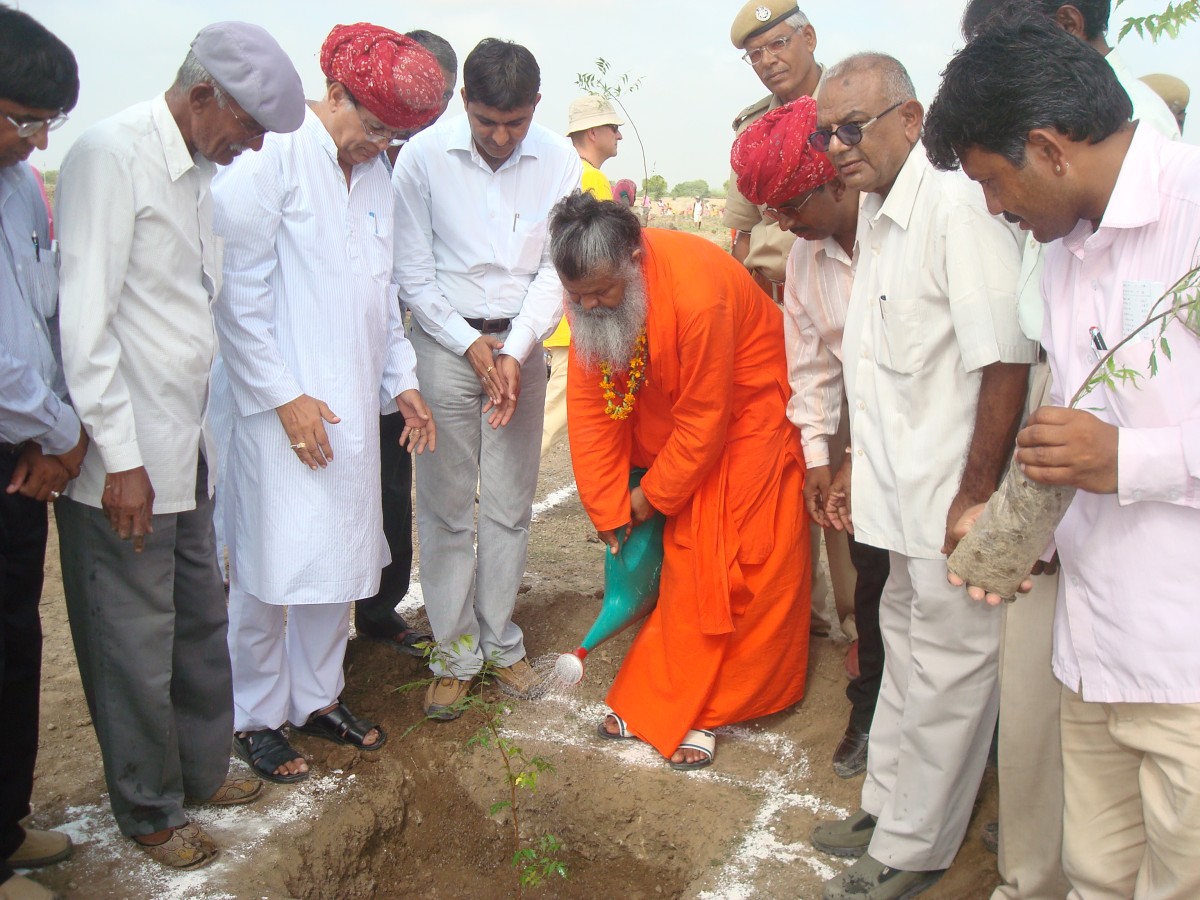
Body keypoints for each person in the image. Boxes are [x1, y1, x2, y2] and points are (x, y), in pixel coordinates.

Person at [924, 18, 1200, 899]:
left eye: (994, 184)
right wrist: (1021, 529)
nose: (996, 209)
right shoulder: (1062, 252)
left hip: (1186, 669)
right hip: (1092, 651)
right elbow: (1074, 438)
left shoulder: (1192, 224)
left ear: (1046, 149)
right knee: (1094, 875)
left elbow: (1113, 446)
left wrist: (1129, 458)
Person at [54, 22, 305, 869]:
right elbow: (85, 325)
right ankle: (150, 805)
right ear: (203, 98)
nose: (253, 147)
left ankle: (202, 768)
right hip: (122, 465)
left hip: (184, 446)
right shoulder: (109, 156)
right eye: (248, 128)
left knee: (197, 619)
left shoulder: (197, 170)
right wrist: (119, 458)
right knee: (131, 637)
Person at [807, 54, 1035, 900]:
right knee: (902, 652)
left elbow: (1005, 360)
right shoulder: (876, 211)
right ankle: (886, 810)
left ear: (910, 118)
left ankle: (916, 848)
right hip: (896, 500)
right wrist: (859, 467)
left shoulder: (954, 209)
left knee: (948, 669)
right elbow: (880, 373)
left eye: (852, 126)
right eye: (827, 131)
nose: (836, 146)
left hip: (948, 502)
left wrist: (976, 497)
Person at [212, 24, 441, 785]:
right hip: (272, 407)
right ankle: (255, 715)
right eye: (373, 126)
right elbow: (236, 298)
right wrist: (285, 399)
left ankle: (316, 696)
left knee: (336, 565)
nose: (378, 145)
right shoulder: (269, 157)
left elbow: (383, 299)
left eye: (395, 136)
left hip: (348, 407)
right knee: (266, 571)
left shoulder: (377, 177)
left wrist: (401, 382)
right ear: (334, 95)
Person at [549, 190, 812, 770]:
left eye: (601, 293)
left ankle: (711, 709)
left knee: (725, 557)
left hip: (749, 411)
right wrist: (608, 507)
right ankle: (664, 693)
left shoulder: (696, 291)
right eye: (577, 296)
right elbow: (592, 405)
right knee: (685, 556)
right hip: (683, 413)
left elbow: (705, 420)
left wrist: (649, 498)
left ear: (634, 262)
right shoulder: (590, 295)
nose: (588, 307)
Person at [392, 39, 581, 718]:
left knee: (508, 502)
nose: (501, 139)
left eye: (516, 123)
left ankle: (500, 642)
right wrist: (472, 344)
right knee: (444, 505)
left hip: (522, 346)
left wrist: (515, 348)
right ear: (464, 103)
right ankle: (453, 650)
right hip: (444, 343)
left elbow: (553, 270)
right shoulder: (420, 159)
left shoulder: (561, 161)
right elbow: (412, 272)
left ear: (535, 107)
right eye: (487, 123)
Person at [730, 95, 889, 782]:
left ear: (835, 179)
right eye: (770, 212)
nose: (783, 225)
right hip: (861, 445)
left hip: (931, 444)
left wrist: (854, 456)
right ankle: (870, 713)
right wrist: (820, 457)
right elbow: (813, 367)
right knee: (876, 583)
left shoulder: (901, 237)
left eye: (791, 206)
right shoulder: (803, 260)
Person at [726, 0, 856, 647]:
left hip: (853, 294)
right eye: (755, 54)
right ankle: (799, 611)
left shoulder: (849, 111)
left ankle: (858, 617)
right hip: (779, 307)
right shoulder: (752, 128)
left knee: (854, 455)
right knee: (801, 460)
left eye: (777, 44)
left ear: (807, 37)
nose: (768, 61)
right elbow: (742, 234)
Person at [0, 9, 86, 899]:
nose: (34, 141)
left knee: (14, 637)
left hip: (26, 451)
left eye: (45, 126)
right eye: (21, 118)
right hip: (30, 437)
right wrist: (61, 432)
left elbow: (43, 315)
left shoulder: (23, 185)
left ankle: (6, 824)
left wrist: (54, 431)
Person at [354, 28, 459, 659]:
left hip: (401, 353)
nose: (427, 111)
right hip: (342, 352)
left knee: (394, 485)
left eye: (438, 98)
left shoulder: (440, 158)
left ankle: (380, 605)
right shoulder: (361, 153)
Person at [541, 95, 624, 457]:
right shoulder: (591, 179)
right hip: (579, 317)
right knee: (557, 411)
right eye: (613, 127)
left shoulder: (561, 170)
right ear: (593, 132)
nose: (619, 135)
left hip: (563, 312)